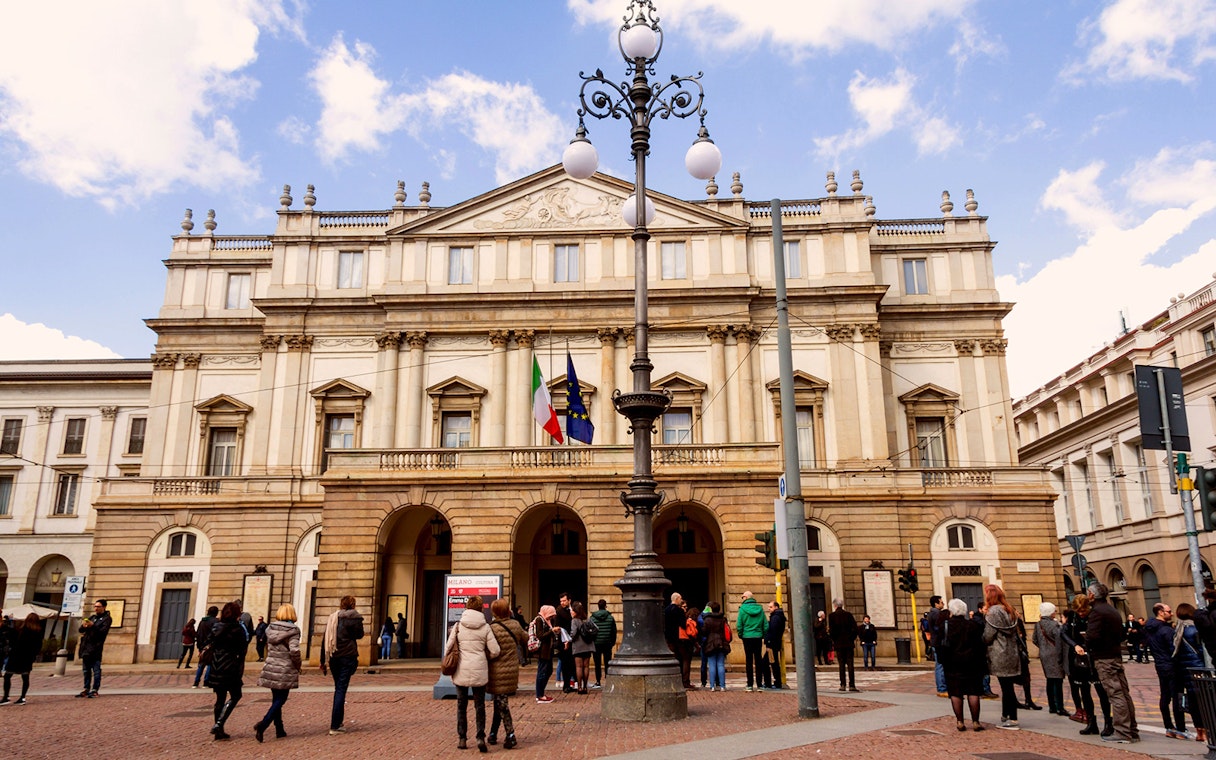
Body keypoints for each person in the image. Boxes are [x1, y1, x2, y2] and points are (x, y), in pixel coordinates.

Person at [1082, 582, 1138, 744]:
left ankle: (1122, 731)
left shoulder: (1097, 612)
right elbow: (1121, 635)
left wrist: (1087, 641)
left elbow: (1091, 637)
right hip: (1115, 655)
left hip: (1104, 658)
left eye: (1088, 593)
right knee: (1124, 693)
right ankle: (1132, 729)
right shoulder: (1112, 610)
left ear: (1092, 595)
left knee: (1115, 694)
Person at [445, 594, 500, 752]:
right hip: (479, 670)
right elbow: (495, 650)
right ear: (481, 608)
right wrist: (485, 656)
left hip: (461, 670)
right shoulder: (485, 627)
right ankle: (480, 737)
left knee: (461, 706)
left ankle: (462, 738)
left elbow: (448, 648)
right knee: (480, 706)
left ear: (467, 607)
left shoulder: (458, 626)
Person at [1061, 594, 1113, 736]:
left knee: (1101, 692)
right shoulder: (1073, 617)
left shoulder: (1095, 616)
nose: (1081, 614)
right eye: (1079, 611)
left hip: (1095, 656)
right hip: (1079, 658)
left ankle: (1108, 722)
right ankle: (1091, 722)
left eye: (1083, 611)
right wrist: (1075, 645)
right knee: (1084, 692)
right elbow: (1064, 633)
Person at [253, 603, 301, 742]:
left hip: (272, 666)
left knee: (276, 699)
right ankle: (263, 724)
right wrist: (298, 664)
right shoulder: (294, 630)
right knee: (281, 699)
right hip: (285, 668)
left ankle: (279, 729)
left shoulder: (270, 628)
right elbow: (294, 650)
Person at [320, 595, 364, 735]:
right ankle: (335, 725)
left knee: (338, 688)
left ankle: (338, 722)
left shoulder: (333, 617)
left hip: (333, 656)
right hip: (348, 656)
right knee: (341, 689)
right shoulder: (355, 617)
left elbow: (325, 639)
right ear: (353, 604)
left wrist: (322, 660)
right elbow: (360, 635)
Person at [1143, 602, 1188, 739]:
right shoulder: (1166, 630)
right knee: (1176, 697)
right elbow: (1174, 650)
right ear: (1161, 612)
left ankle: (1168, 727)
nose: (1171, 613)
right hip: (1172, 666)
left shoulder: (1149, 629)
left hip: (1160, 665)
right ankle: (1180, 729)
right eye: (1169, 611)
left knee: (1165, 696)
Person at [940, 599, 987, 731]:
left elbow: (940, 644)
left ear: (951, 611)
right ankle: (976, 722)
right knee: (973, 692)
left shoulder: (946, 625)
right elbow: (980, 644)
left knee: (956, 693)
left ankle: (960, 721)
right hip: (971, 662)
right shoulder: (972, 625)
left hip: (952, 663)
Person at [205, 601, 248, 740]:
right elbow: (242, 651)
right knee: (236, 695)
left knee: (219, 699)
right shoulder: (238, 629)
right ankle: (219, 724)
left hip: (216, 666)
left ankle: (219, 731)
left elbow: (208, 642)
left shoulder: (216, 627)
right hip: (230, 666)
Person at [487, 598, 526, 748]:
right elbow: (526, 639)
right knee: (499, 701)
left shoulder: (492, 628)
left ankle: (510, 734)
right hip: (511, 671)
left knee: (502, 702)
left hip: (497, 671)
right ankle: (493, 733)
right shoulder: (515, 625)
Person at [981, 584, 1022, 729]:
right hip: (1012, 652)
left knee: (1006, 687)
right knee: (1007, 686)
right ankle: (1006, 714)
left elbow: (988, 635)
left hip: (999, 653)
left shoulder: (993, 612)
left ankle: (1013, 718)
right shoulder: (1008, 609)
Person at [1173, 603, 1205, 742]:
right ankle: (1207, 730)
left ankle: (1199, 731)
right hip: (1199, 668)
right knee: (1205, 701)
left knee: (1193, 702)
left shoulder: (1178, 630)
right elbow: (1202, 650)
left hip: (1185, 671)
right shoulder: (1193, 629)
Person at [1032, 602, 1067, 716]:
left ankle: (1052, 706)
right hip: (1055, 654)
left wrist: (1042, 648)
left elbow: (1034, 639)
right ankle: (1060, 707)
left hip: (1044, 654)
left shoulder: (1038, 624)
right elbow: (1059, 640)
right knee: (1058, 680)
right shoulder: (1055, 625)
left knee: (1049, 680)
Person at [0, 613, 42, 705]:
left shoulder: (21, 630)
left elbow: (12, 638)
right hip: (27, 657)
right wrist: (33, 656)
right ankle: (22, 697)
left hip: (16, 655)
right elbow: (38, 646)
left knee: (8, 676)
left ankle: (6, 696)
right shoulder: (38, 632)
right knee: (25, 677)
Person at [77, 598, 112, 698]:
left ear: (104, 607)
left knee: (96, 670)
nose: (96, 608)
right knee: (86, 670)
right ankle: (86, 688)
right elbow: (80, 630)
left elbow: (102, 632)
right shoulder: (92, 617)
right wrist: (84, 626)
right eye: (95, 606)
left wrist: (92, 626)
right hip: (86, 647)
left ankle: (94, 689)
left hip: (96, 648)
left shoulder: (107, 619)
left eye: (98, 606)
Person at [736, 591, 767, 691]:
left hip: (747, 636)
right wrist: (762, 634)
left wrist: (741, 635)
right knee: (758, 660)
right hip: (758, 636)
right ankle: (759, 684)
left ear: (745, 597)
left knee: (749, 660)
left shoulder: (742, 609)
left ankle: (749, 684)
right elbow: (765, 625)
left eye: (742, 597)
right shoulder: (760, 609)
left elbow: (739, 625)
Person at [828, 598, 860, 692]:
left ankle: (842, 684)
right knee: (850, 664)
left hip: (839, 644)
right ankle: (852, 685)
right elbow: (855, 629)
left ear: (835, 605)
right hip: (849, 643)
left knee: (841, 665)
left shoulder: (832, 616)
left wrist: (835, 640)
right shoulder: (848, 615)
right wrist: (851, 638)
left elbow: (832, 631)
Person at [700, 601, 730, 691]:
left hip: (710, 643)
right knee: (721, 664)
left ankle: (712, 686)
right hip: (721, 642)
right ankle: (722, 686)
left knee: (712, 665)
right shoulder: (723, 619)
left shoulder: (707, 619)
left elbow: (704, 632)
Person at [532, 605, 557, 703]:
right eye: (550, 615)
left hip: (548, 651)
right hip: (543, 651)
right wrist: (552, 631)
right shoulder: (539, 620)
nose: (551, 618)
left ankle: (541, 692)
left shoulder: (547, 621)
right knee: (542, 672)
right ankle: (540, 695)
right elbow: (540, 635)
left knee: (549, 670)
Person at [1015, 616, 1041, 710]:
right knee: (1010, 680)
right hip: (1013, 656)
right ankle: (1016, 701)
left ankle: (1028, 700)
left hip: (1021, 655)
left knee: (1026, 678)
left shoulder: (1017, 621)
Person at [589, 599, 616, 688]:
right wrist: (612, 642)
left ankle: (598, 681)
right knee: (607, 662)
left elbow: (590, 631)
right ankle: (608, 680)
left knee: (597, 664)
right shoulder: (610, 617)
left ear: (598, 606)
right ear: (605, 606)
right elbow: (614, 631)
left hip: (596, 644)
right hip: (607, 643)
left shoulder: (592, 618)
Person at [569, 601, 594, 693]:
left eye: (572, 610)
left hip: (578, 645)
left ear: (575, 611)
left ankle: (579, 687)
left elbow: (574, 633)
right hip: (588, 645)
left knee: (579, 667)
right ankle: (585, 687)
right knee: (586, 666)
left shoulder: (574, 620)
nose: (571, 611)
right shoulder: (587, 619)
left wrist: (569, 638)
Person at [926, 595, 948, 697]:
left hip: (936, 642)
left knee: (940, 665)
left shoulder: (932, 613)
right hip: (939, 643)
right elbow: (940, 628)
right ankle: (942, 688)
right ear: (936, 603)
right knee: (940, 665)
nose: (943, 604)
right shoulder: (936, 614)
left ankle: (942, 687)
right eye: (941, 602)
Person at [193, 606, 219, 688]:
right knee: (210, 664)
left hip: (202, 646)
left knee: (201, 664)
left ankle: (196, 682)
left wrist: (200, 646)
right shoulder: (216, 621)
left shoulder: (202, 621)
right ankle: (206, 682)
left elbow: (199, 634)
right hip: (211, 645)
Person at [555, 592, 575, 692]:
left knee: (570, 663)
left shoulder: (571, 609)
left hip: (571, 640)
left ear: (569, 600)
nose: (562, 603)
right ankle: (566, 685)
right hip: (563, 641)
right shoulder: (560, 611)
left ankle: (569, 684)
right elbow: (562, 627)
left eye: (564, 601)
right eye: (561, 601)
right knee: (565, 664)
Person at [765, 601, 786, 689]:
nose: (769, 609)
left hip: (772, 644)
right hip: (775, 643)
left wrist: (768, 641)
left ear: (776, 607)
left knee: (770, 663)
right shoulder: (778, 616)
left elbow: (772, 631)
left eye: (771, 607)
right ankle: (775, 682)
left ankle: (773, 683)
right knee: (773, 662)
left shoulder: (775, 618)